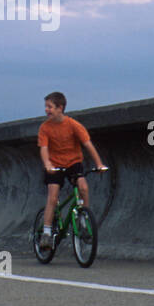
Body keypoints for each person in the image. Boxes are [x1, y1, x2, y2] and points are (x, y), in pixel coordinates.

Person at [38, 92, 107, 249]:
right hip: (55, 165)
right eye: (46, 107)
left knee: (83, 187)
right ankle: (47, 233)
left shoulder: (73, 125)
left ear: (60, 108)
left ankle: (83, 220)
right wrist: (47, 164)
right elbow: (43, 148)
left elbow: (88, 145)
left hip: (73, 163)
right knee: (53, 196)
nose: (46, 110)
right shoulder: (45, 128)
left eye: (50, 107)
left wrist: (99, 164)